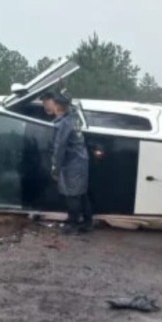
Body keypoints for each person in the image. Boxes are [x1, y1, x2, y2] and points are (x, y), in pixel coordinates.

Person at [43, 91, 93, 235]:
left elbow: (59, 148)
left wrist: (55, 168)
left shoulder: (63, 124)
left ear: (58, 106)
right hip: (80, 160)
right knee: (81, 193)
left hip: (72, 163)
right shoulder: (73, 117)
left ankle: (73, 224)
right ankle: (87, 222)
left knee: (72, 195)